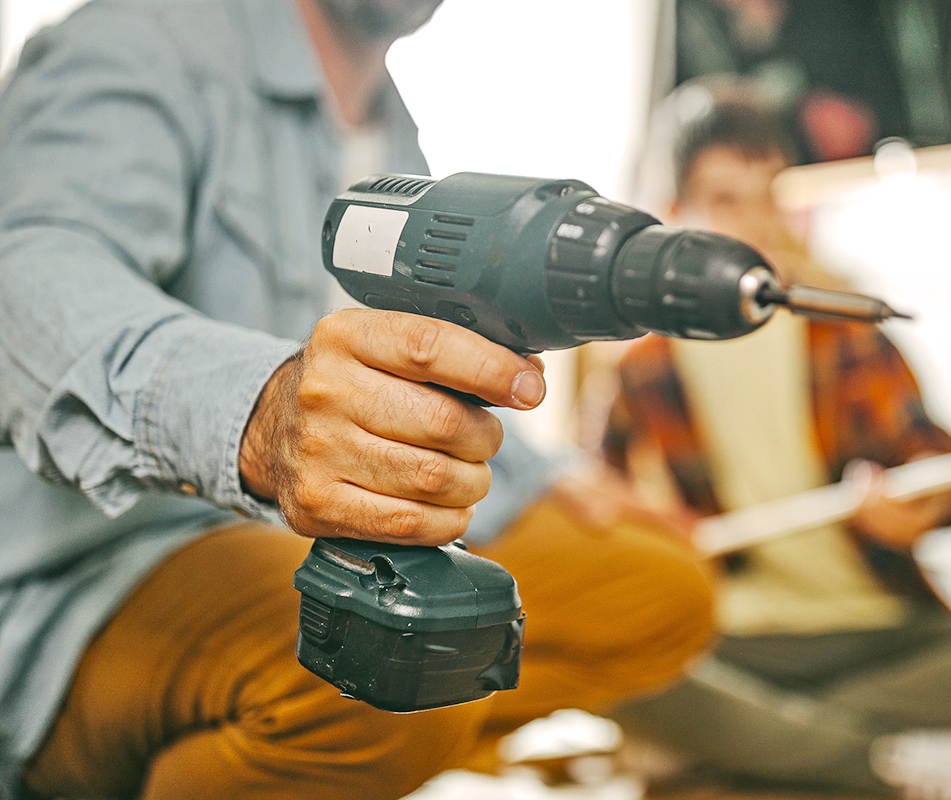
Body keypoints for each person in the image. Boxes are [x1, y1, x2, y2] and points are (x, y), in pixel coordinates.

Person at [0, 2, 715, 798]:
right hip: (105, 567)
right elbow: (27, 279)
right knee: (388, 668)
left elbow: (400, 375)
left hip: (315, 533)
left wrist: (548, 476)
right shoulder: (140, 40)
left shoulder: (391, 129)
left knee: (659, 592)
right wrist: (257, 416)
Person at [601, 94, 951, 798]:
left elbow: (946, 470)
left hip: (874, 629)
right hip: (740, 644)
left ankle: (765, 758)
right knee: (611, 670)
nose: (754, 225)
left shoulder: (843, 331)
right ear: (675, 212)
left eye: (770, 199)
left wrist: (924, 502)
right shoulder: (640, 368)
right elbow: (596, 521)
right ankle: (882, 763)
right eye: (726, 200)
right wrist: (654, 533)